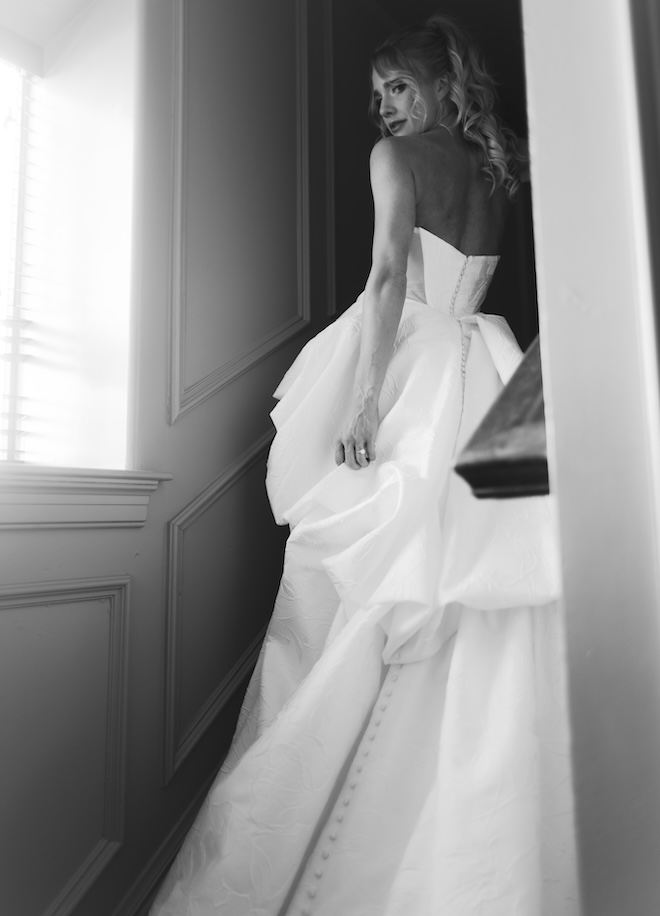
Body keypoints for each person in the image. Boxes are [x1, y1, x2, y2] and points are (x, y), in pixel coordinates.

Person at [150, 14, 578, 916]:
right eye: (376, 92)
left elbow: (390, 276)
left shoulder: (398, 163)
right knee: (466, 588)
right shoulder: (501, 169)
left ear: (444, 83)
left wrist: (366, 398)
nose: (382, 108)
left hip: (415, 362)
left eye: (398, 86)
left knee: (356, 591)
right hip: (489, 369)